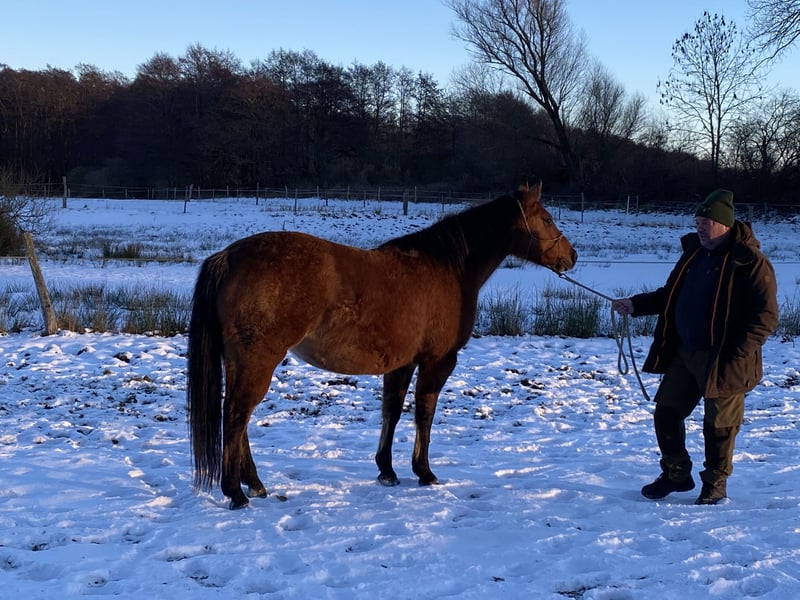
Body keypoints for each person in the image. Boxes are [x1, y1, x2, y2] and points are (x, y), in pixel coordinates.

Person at [612, 189, 778, 505]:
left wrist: (737, 350)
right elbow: (670, 294)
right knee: (666, 413)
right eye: (698, 222)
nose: (700, 228)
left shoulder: (750, 262)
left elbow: (766, 316)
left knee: (719, 427)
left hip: (726, 361)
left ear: (724, 224)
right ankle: (676, 473)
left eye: (706, 223)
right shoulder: (693, 255)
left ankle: (715, 484)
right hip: (685, 353)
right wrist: (635, 304)